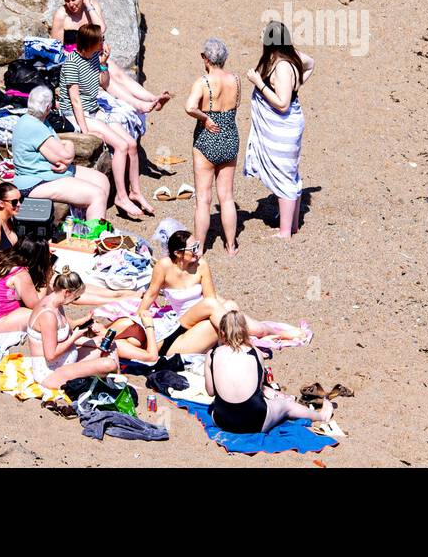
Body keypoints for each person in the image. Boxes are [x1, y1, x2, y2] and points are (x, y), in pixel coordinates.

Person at [134, 231, 306, 353]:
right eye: (192, 249)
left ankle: (280, 333)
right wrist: (141, 311)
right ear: (178, 253)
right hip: (186, 319)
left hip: (206, 311)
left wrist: (228, 307)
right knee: (215, 305)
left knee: (252, 324)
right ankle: (246, 345)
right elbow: (152, 293)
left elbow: (210, 295)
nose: (197, 252)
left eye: (197, 247)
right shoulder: (164, 266)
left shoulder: (201, 265)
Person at [58, 24, 155, 219]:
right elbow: (75, 100)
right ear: (91, 42)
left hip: (94, 109)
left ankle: (135, 191)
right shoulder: (71, 64)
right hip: (77, 114)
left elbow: (103, 83)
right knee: (120, 145)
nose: (103, 42)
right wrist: (84, 131)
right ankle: (121, 196)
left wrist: (103, 63)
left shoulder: (94, 57)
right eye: (100, 39)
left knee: (131, 144)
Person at [50, 0, 172, 115]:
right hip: (74, 59)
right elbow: (56, 48)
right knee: (108, 80)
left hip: (94, 54)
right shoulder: (61, 15)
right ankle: (140, 105)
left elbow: (101, 29)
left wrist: (88, 5)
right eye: (67, 1)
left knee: (119, 74)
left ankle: (153, 98)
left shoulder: (91, 7)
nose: (71, 4)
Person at [205, 310, 333, 433]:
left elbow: (210, 392)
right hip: (256, 422)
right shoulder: (255, 353)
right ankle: (321, 416)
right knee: (286, 406)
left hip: (222, 421)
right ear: (245, 332)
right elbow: (258, 389)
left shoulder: (212, 354)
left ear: (222, 333)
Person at [243, 22, 314, 239]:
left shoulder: (283, 66)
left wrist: (259, 83)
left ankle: (285, 232)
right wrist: (297, 83)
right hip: (285, 126)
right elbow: (311, 64)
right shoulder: (292, 57)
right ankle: (292, 226)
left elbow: (282, 104)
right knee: (289, 172)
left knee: (283, 174)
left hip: (282, 129)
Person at [11, 86, 110, 220]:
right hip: (35, 182)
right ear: (48, 107)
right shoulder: (34, 126)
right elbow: (65, 156)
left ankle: (87, 224)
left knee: (102, 180)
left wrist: (64, 161)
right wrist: (68, 145)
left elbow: (58, 156)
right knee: (96, 194)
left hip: (49, 172)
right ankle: (93, 237)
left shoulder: (40, 121)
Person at [184, 37, 241, 254]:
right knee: (226, 196)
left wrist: (204, 118)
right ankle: (231, 245)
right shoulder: (235, 80)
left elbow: (189, 106)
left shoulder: (203, 82)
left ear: (205, 58)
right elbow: (236, 104)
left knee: (204, 199)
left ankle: (198, 248)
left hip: (207, 139)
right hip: (229, 136)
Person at [25, 268, 119, 388]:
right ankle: (116, 384)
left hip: (65, 361)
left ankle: (118, 382)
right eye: (75, 297)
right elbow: (50, 356)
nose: (74, 301)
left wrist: (85, 326)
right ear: (67, 292)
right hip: (50, 372)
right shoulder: (48, 315)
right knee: (108, 364)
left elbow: (61, 334)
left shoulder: (56, 304)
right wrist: (74, 337)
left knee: (109, 344)